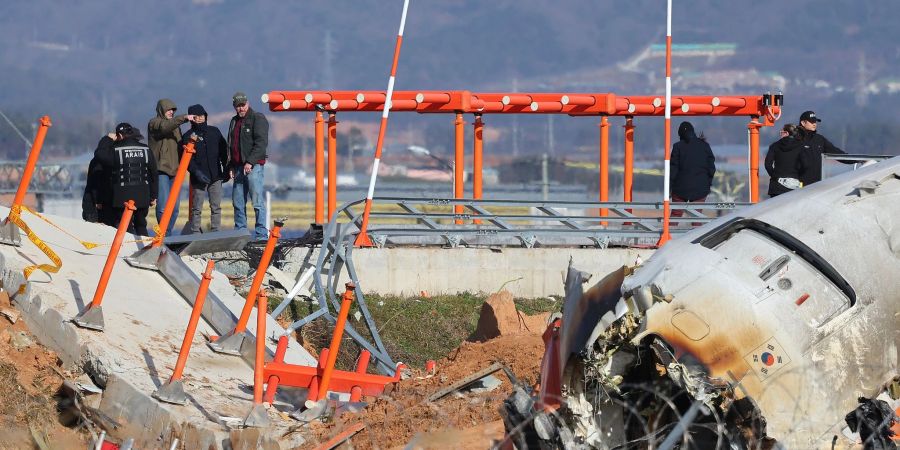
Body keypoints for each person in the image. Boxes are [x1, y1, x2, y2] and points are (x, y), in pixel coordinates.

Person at [93, 123, 158, 236]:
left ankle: (130, 250)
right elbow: (153, 174)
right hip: (143, 195)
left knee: (126, 226)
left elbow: (99, 154)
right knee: (141, 225)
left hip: (122, 197)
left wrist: (107, 139)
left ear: (120, 135)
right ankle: (146, 250)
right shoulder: (146, 149)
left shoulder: (116, 150)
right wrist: (153, 196)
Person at [148, 99, 194, 235]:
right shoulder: (154, 123)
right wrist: (184, 117)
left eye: (173, 110)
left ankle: (167, 233)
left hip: (176, 172)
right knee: (162, 207)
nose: (171, 112)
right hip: (161, 170)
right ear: (162, 110)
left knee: (175, 208)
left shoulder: (176, 127)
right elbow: (164, 127)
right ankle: (163, 234)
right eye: (169, 109)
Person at [227, 91, 269, 239]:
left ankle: (261, 234)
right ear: (234, 106)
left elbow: (261, 144)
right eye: (238, 106)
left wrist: (250, 162)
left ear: (248, 103)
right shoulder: (233, 121)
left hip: (254, 167)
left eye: (243, 105)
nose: (241, 109)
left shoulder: (258, 118)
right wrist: (231, 165)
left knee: (257, 202)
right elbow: (231, 145)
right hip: (238, 168)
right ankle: (240, 233)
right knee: (238, 202)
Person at [182, 104, 228, 233]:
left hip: (216, 176)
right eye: (196, 117)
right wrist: (196, 172)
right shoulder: (188, 136)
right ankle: (195, 232)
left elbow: (223, 151)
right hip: (199, 178)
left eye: (202, 116)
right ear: (192, 119)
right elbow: (186, 160)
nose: (200, 119)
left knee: (216, 207)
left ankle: (216, 232)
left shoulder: (215, 131)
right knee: (196, 208)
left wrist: (225, 169)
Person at [669, 121, 716, 218]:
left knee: (676, 214)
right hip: (701, 188)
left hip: (680, 188)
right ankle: (698, 233)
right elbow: (711, 168)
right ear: (693, 132)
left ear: (680, 134)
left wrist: (671, 187)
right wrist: (707, 183)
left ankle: (670, 233)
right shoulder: (704, 146)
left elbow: (673, 169)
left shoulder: (677, 147)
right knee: (697, 216)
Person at [795, 110, 847, 187]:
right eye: (811, 122)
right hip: (798, 186)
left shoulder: (819, 139)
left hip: (817, 185)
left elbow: (837, 153)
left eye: (815, 122)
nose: (814, 124)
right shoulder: (795, 139)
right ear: (803, 123)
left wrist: (857, 160)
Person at [764, 123, 804, 197]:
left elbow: (767, 164)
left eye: (781, 132)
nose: (780, 134)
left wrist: (775, 176)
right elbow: (805, 164)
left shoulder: (774, 146)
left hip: (776, 187)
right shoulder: (801, 146)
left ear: (786, 133)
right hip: (794, 185)